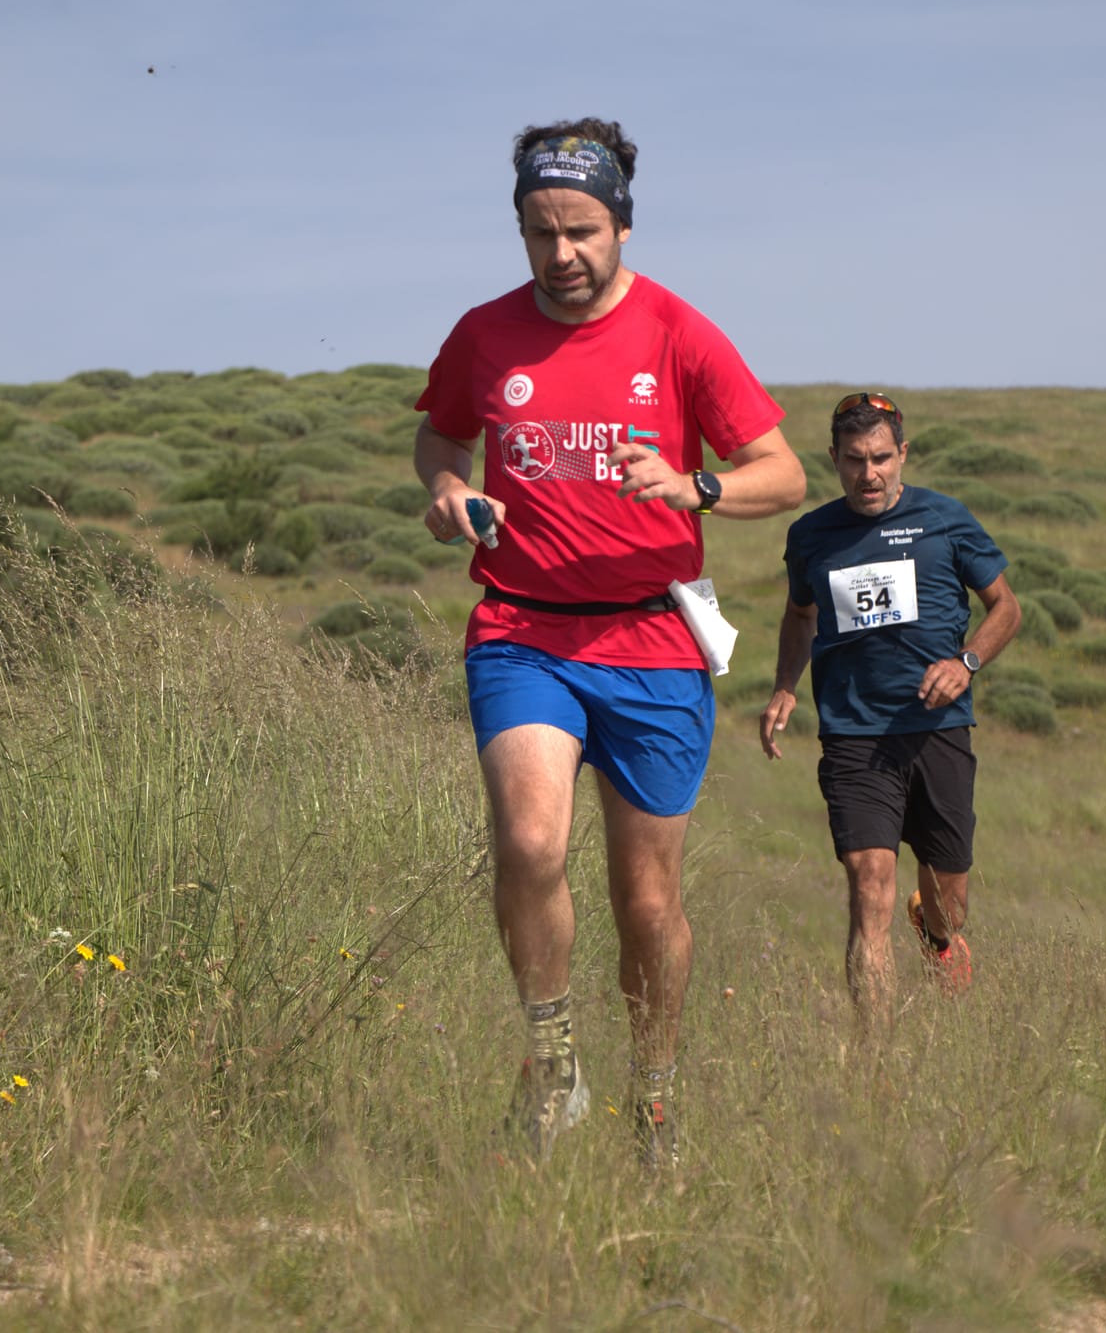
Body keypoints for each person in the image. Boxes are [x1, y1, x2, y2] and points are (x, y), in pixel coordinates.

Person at [413, 118, 806, 1166]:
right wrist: (449, 489)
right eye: (540, 233)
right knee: (531, 844)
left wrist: (698, 486)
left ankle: (655, 1095)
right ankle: (552, 1073)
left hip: (650, 642)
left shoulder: (679, 334)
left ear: (622, 223)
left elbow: (782, 471)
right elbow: (442, 432)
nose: (562, 255)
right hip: (520, 631)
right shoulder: (484, 334)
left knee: (646, 904)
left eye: (582, 230)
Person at [759, 392, 1021, 1027]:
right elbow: (800, 616)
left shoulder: (946, 520)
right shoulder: (811, 536)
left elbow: (1006, 609)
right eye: (853, 460)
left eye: (880, 458)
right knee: (868, 883)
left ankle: (934, 936)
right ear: (833, 460)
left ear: (903, 454)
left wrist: (967, 665)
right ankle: (878, 1057)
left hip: (938, 729)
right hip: (854, 734)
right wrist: (786, 685)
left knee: (949, 903)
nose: (868, 474)